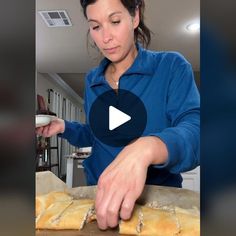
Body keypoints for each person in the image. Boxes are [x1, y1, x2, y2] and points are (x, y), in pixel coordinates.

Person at [36, 0, 200, 230]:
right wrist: (64, 126)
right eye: (95, 26)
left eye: (114, 21)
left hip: (157, 205)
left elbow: (196, 129)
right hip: (99, 199)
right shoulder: (93, 81)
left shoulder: (171, 67)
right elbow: (98, 135)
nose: (105, 38)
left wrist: (147, 147)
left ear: (135, 16)